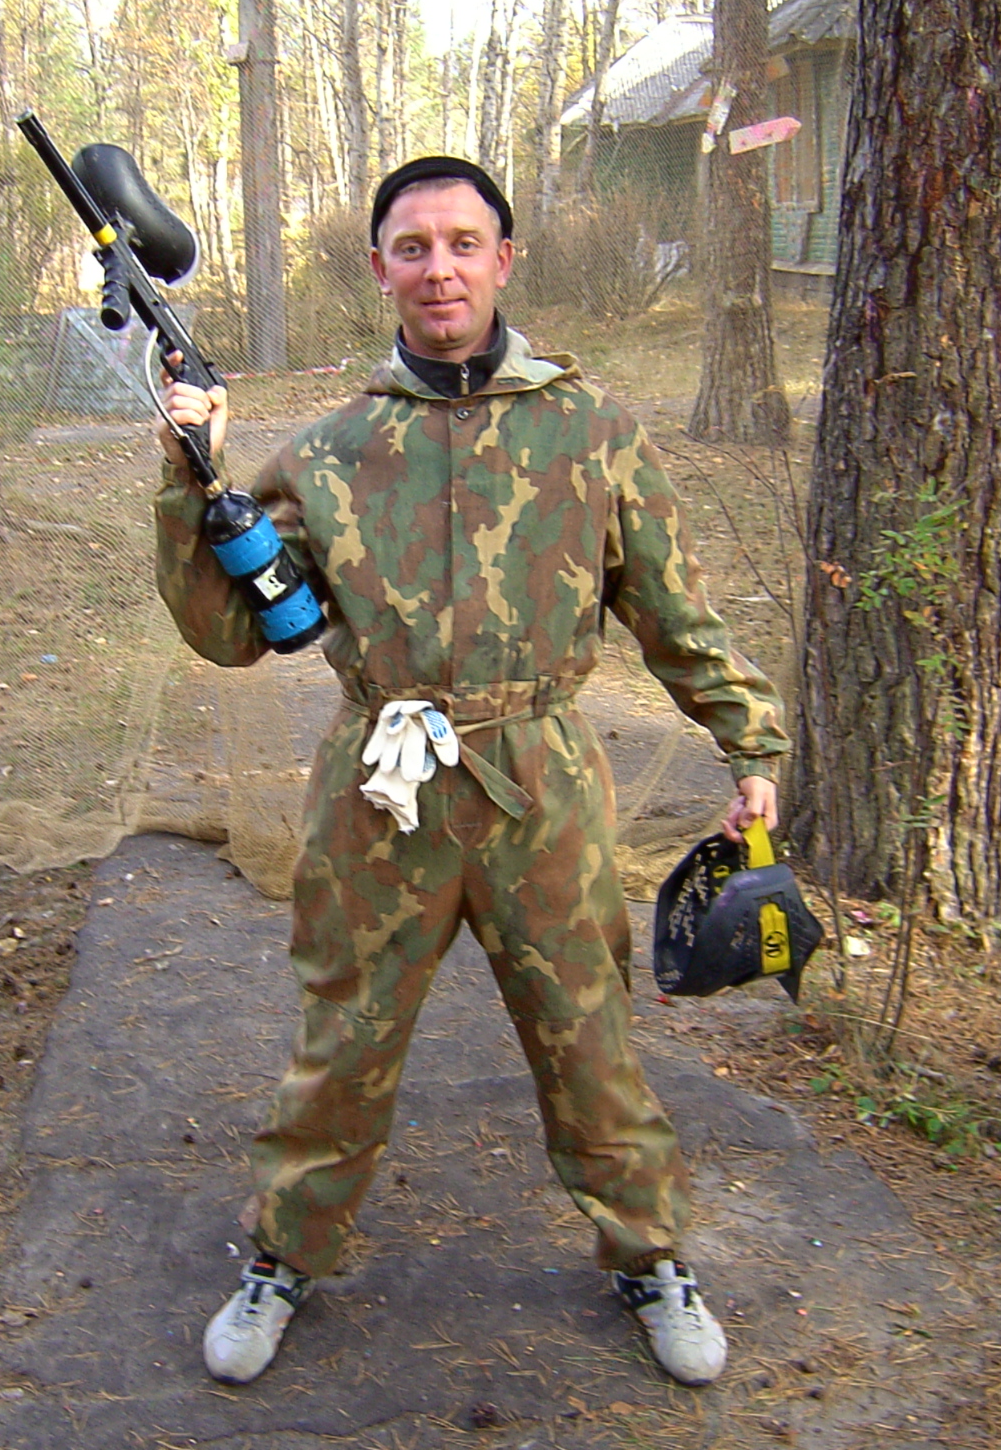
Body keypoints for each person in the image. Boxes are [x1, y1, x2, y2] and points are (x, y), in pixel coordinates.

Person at [152, 156, 789, 1389]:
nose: (437, 269)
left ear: (501, 259)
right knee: (344, 1036)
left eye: (460, 243)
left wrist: (748, 740)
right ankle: (285, 1253)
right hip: (379, 791)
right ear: (378, 268)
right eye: (411, 247)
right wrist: (189, 475)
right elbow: (230, 632)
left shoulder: (590, 432)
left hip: (539, 782)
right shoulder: (332, 451)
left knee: (586, 1031)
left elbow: (672, 611)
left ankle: (647, 1253)